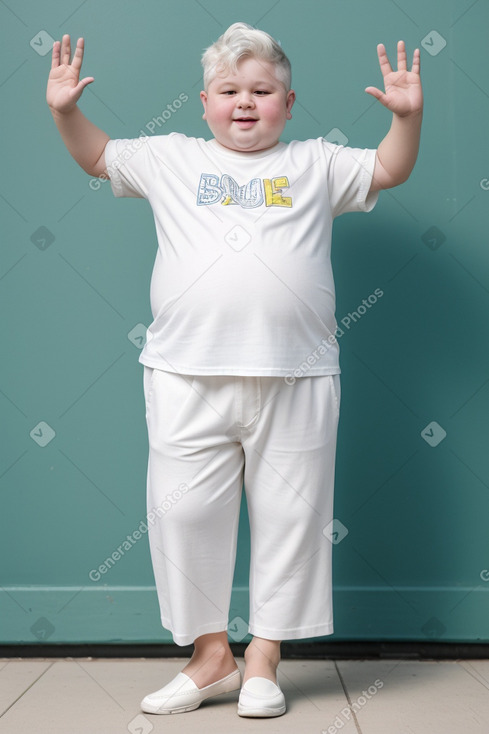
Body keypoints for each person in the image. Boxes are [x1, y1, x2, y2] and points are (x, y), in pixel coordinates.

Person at [46, 22, 422, 718]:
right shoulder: (170, 157)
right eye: (228, 90)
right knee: (184, 514)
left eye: (261, 90)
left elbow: (390, 169)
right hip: (186, 372)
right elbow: (97, 157)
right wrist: (66, 110)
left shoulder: (317, 161)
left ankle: (263, 660)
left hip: (298, 376)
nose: (244, 101)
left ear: (288, 100)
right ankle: (210, 655)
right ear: (203, 101)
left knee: (291, 519)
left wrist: (407, 118)